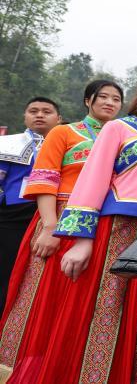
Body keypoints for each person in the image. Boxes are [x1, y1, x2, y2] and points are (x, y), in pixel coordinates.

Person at [18, 70, 137, 384]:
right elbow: (94, 178)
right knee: (105, 309)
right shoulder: (119, 127)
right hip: (117, 229)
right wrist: (82, 238)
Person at [0, 80, 123, 382]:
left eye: (116, 98)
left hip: (100, 226)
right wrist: (50, 226)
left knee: (82, 299)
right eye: (103, 97)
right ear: (87, 101)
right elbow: (45, 178)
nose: (109, 103)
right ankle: (29, 369)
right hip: (58, 218)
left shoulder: (123, 138)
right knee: (43, 297)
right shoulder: (65, 132)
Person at [0, 97, 62, 314]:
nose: (39, 115)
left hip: (56, 213)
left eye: (47, 111)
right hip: (13, 216)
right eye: (33, 111)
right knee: (7, 270)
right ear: (24, 116)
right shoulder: (7, 143)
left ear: (59, 119)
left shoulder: (69, 144)